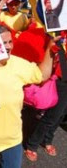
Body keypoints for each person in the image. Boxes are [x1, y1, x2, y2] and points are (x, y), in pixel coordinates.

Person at [0, 24, 57, 168]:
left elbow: (41, 75)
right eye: (3, 43)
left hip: (13, 137)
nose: (8, 47)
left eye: (10, 42)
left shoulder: (17, 63)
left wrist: (50, 49)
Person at [24, 33, 67, 161]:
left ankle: (47, 140)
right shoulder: (61, 33)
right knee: (52, 116)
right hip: (61, 78)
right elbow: (53, 50)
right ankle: (32, 145)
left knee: (61, 115)